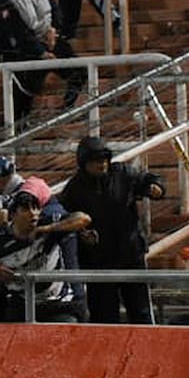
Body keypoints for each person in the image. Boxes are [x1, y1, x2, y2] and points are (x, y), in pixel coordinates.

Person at [60, 136, 164, 324]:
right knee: (104, 318)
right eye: (95, 161)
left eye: (104, 159)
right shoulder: (74, 189)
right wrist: (82, 234)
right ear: (84, 163)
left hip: (131, 256)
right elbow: (65, 219)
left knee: (141, 313)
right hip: (97, 262)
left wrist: (155, 187)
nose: (102, 165)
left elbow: (147, 179)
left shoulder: (122, 174)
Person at [0, 177, 91, 322]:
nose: (33, 213)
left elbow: (83, 218)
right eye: (25, 209)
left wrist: (45, 229)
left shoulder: (47, 223)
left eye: (36, 208)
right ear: (13, 214)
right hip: (21, 306)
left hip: (59, 305)